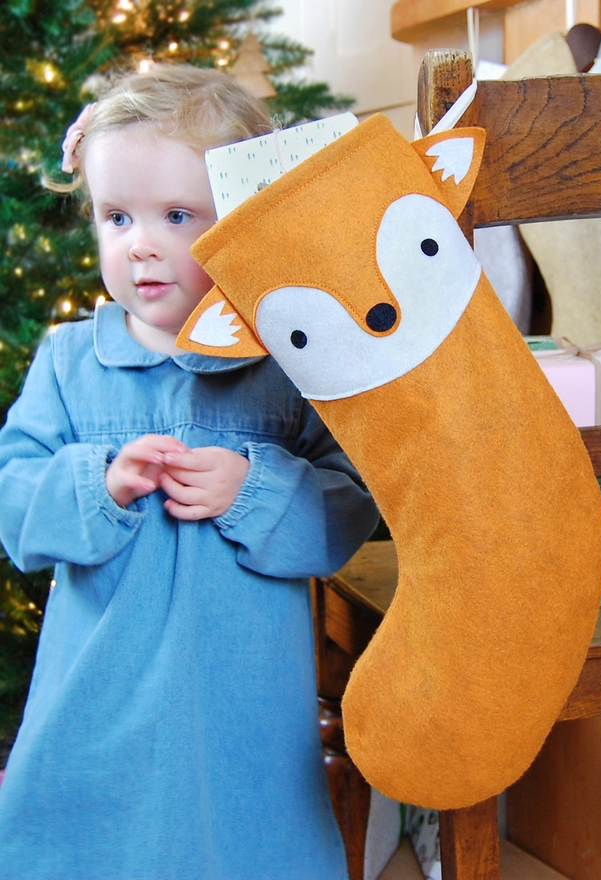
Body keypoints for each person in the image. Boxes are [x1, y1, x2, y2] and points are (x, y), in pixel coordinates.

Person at [0, 64, 379, 880]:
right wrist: (96, 482)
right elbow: (13, 498)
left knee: (241, 842)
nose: (140, 244)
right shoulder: (69, 362)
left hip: (240, 702)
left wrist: (258, 491)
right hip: (97, 697)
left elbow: (352, 503)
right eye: (115, 217)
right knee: (88, 845)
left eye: (177, 216)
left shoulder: (287, 363)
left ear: (242, 224)